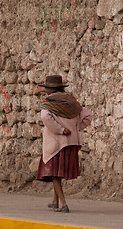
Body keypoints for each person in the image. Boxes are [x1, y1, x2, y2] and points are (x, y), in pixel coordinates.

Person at [36, 75, 92, 213]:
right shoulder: (71, 102)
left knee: (54, 174)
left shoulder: (49, 103)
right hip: (71, 143)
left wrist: (60, 130)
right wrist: (75, 128)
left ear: (49, 89)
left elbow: (44, 117)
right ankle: (55, 201)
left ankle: (64, 204)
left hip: (56, 144)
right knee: (58, 173)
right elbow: (87, 116)